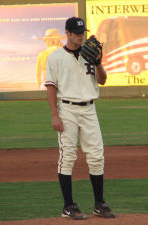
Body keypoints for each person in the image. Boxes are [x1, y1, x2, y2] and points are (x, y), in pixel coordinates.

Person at [44, 17, 115, 220]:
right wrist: (54, 115)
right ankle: (68, 206)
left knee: (96, 155)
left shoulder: (91, 54)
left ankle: (99, 204)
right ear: (67, 33)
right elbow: (51, 87)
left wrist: (99, 63)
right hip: (67, 109)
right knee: (67, 157)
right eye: (76, 33)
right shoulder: (55, 57)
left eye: (82, 32)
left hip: (90, 109)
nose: (80, 36)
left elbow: (102, 80)